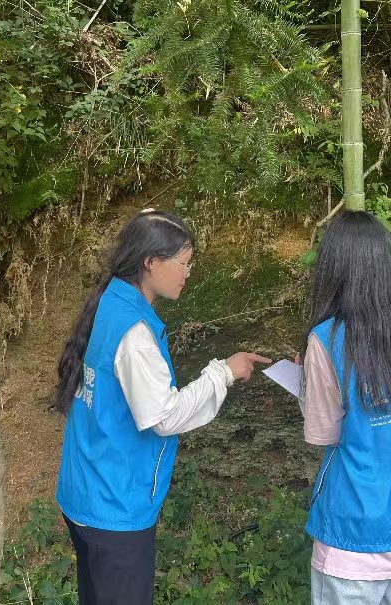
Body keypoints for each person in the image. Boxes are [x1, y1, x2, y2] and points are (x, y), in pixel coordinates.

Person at [54, 208, 270, 605]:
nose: (188, 273)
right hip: (114, 505)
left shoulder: (111, 299)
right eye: (184, 263)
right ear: (151, 262)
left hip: (84, 489)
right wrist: (223, 372)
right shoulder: (134, 333)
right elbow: (163, 416)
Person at [297, 210, 391, 605]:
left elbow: (322, 433)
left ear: (333, 269)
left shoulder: (327, 339)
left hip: (355, 534)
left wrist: (307, 386)